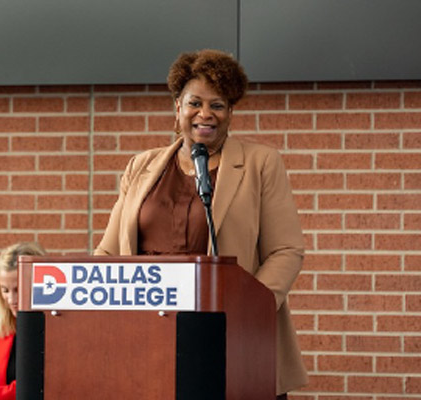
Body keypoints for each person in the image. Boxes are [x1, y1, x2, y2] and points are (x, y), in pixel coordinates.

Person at [94, 49, 308, 398]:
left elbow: (286, 250)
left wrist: (246, 311)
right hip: (148, 336)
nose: (205, 114)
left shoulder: (260, 164)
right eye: (195, 102)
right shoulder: (141, 166)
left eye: (218, 105)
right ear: (177, 106)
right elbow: (107, 250)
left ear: (230, 112)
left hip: (229, 336)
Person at [0, 242, 46, 400]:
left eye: (18, 289)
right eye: (5, 290)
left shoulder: (54, 327)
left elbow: (41, 380)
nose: (12, 299)